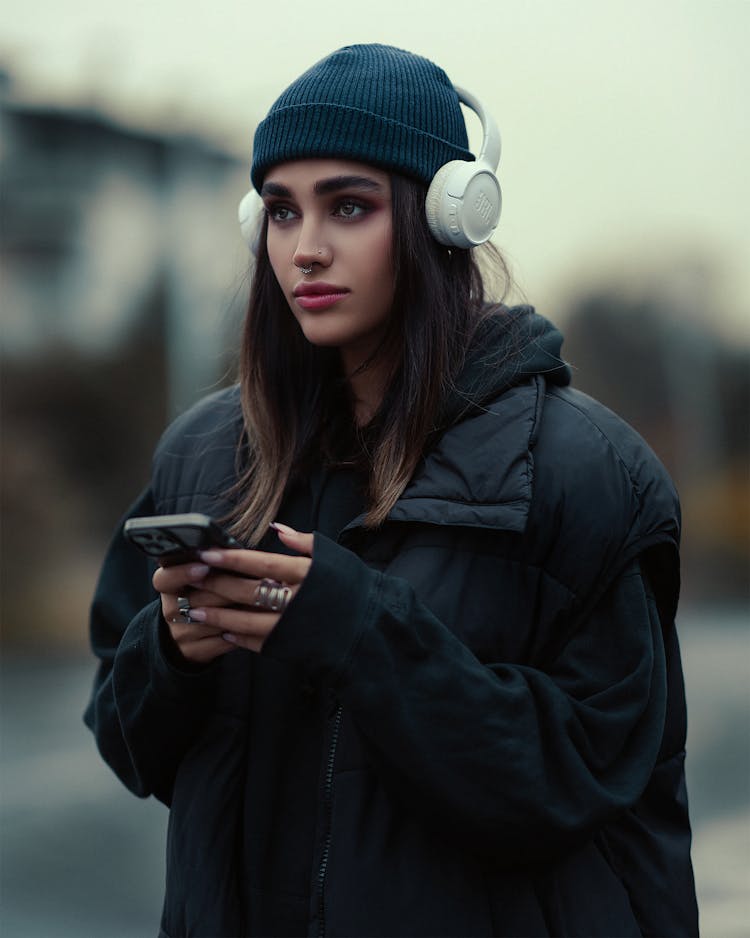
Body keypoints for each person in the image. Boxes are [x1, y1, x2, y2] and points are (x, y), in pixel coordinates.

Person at [84, 43, 699, 937]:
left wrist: (361, 632)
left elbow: (584, 781)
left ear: (445, 220)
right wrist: (169, 652)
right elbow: (125, 739)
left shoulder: (586, 471)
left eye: (350, 206)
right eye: (284, 212)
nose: (307, 249)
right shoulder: (203, 454)